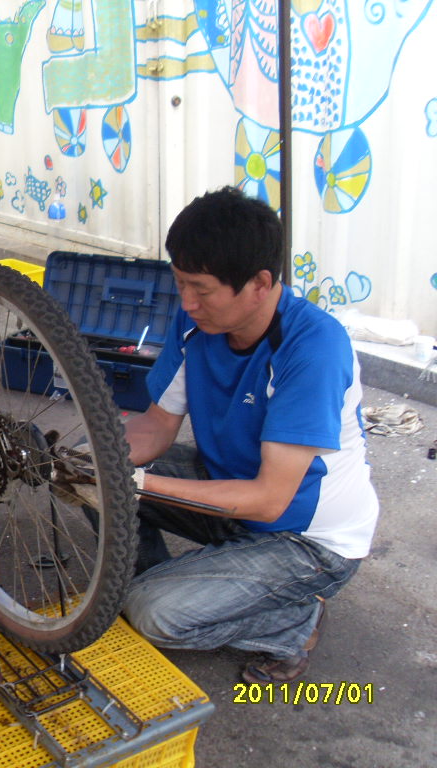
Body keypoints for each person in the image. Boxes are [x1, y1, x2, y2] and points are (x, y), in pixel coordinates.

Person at [121, 187, 378, 684]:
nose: (187, 302)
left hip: (305, 539)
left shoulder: (313, 347)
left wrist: (137, 483)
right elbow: (154, 426)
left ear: (260, 283)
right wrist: (92, 459)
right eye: (180, 284)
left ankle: (291, 621)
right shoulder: (194, 322)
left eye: (201, 288)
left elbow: (268, 500)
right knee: (91, 476)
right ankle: (160, 582)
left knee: (154, 615)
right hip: (226, 487)